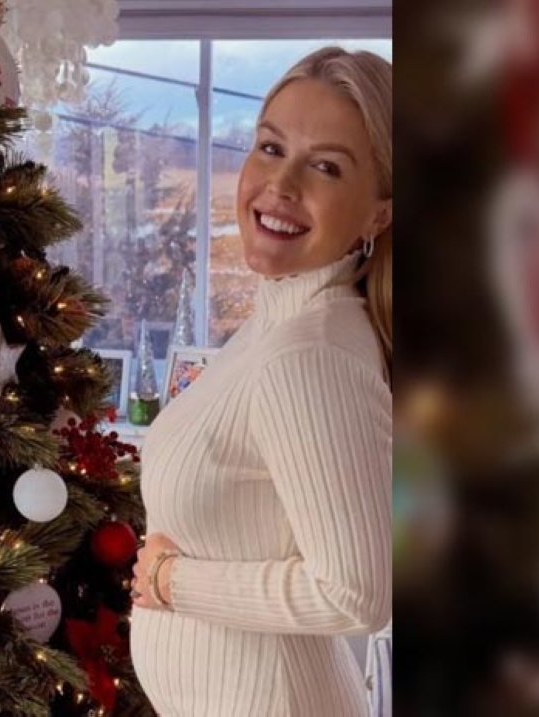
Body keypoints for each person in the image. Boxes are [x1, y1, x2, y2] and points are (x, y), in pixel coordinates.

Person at [129, 46, 393, 716]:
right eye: (271, 148)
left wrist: (171, 580)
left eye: (327, 166)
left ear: (378, 213)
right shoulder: (279, 320)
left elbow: (356, 594)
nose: (281, 183)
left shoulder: (309, 353)